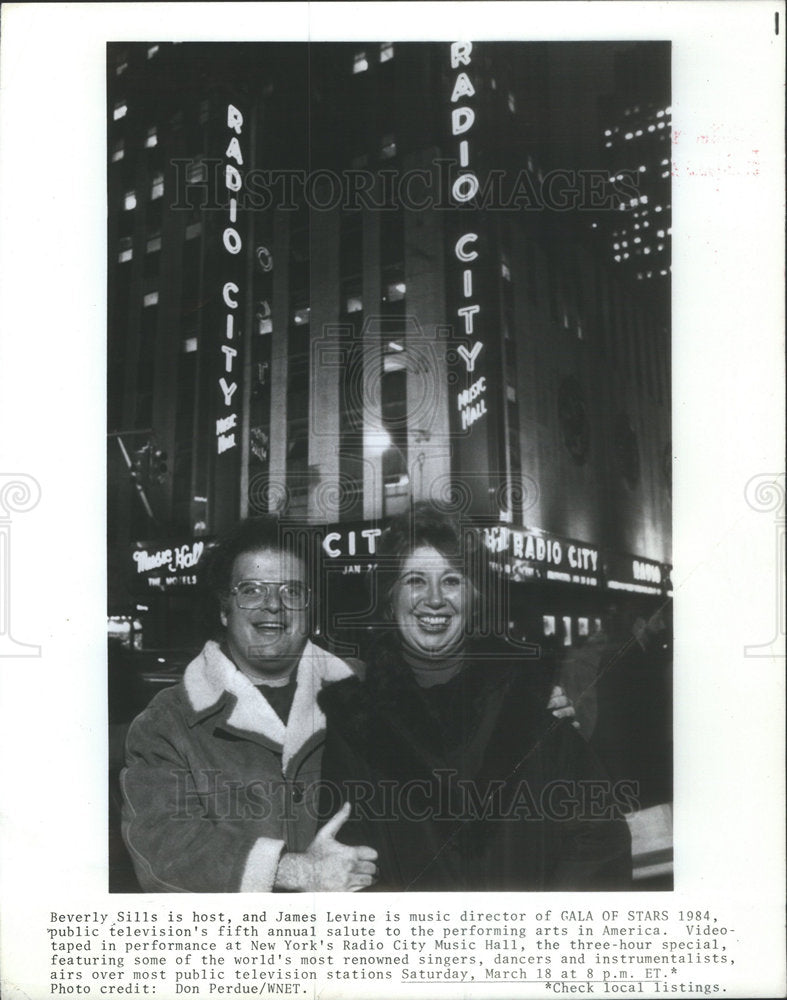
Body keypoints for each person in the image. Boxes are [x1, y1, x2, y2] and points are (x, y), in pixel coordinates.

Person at [317, 503, 632, 891]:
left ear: (474, 596)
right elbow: (350, 869)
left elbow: (599, 839)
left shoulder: (532, 699)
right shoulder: (354, 722)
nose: (434, 599)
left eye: (452, 580)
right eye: (415, 580)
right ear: (389, 596)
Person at [121, 516, 378, 893]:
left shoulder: (368, 695)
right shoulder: (167, 723)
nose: (273, 605)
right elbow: (162, 849)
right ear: (225, 609)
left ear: (310, 610)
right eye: (252, 590)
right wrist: (295, 872)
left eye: (292, 591)